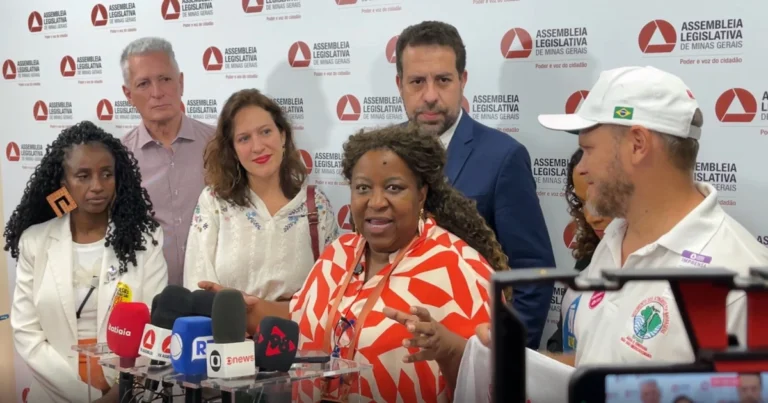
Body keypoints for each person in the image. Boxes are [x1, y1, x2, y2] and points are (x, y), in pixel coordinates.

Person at [407, 65, 768, 401]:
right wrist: (513, 361)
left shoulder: (738, 282)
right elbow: (597, 363)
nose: (581, 167)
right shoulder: (613, 241)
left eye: (588, 149)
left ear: (637, 145)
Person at [200, 124, 504, 402]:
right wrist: (250, 311)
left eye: (394, 188)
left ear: (421, 194)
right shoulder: (339, 254)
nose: (376, 202)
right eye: (363, 188)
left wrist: (448, 350)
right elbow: (305, 320)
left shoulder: (459, 268)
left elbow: (495, 379)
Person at [394, 20, 555, 347]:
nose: (430, 96)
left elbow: (533, 276)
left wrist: (503, 359)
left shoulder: (503, 157)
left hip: (471, 351)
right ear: (400, 84)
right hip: (394, 346)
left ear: (463, 80)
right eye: (417, 81)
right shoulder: (384, 155)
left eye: (443, 80)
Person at [6, 121, 168, 403]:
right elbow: (27, 333)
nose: (97, 186)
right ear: (64, 183)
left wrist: (120, 391)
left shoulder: (145, 240)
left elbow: (154, 325)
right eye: (83, 176)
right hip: (53, 392)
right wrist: (82, 396)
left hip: (126, 390)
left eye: (106, 174)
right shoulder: (35, 242)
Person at [183, 88, 339, 299]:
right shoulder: (214, 202)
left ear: (282, 135)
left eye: (265, 132)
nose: (257, 147)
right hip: (225, 321)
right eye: (244, 138)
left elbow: (330, 292)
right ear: (233, 150)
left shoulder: (316, 205)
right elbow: (198, 285)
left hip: (296, 321)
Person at [120, 37, 215, 286]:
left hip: (212, 294)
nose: (157, 92)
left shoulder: (219, 145)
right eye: (143, 84)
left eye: (165, 79)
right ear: (128, 94)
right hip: (147, 295)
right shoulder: (117, 159)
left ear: (180, 83)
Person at [547, 148, 613, 353]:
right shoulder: (589, 256)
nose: (592, 217)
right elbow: (561, 340)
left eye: (602, 201)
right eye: (583, 202)